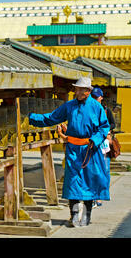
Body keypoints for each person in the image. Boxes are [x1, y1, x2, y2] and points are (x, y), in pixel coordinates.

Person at [29, 77, 110, 227]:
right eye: (76, 89)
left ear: (88, 91)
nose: (76, 92)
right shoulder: (69, 106)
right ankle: (73, 217)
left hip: (90, 150)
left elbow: (104, 127)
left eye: (80, 89)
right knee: (72, 184)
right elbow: (52, 118)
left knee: (88, 184)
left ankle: (86, 217)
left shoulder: (96, 107)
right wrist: (32, 118)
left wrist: (95, 139)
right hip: (73, 151)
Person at [90, 87, 116, 208]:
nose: (95, 99)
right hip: (91, 143)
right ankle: (92, 196)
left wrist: (105, 130)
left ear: (101, 98)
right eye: (93, 97)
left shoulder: (105, 110)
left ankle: (100, 196)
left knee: (104, 170)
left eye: (97, 97)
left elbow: (112, 123)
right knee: (91, 170)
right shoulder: (88, 109)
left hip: (104, 143)